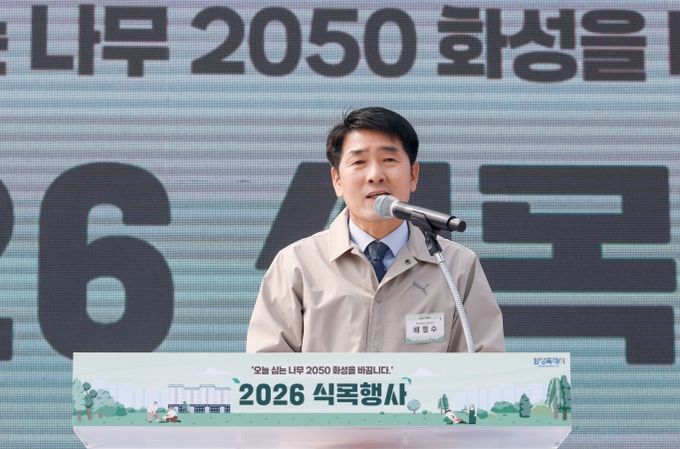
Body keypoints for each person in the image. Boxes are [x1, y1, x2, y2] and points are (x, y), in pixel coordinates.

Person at [246, 107, 504, 352]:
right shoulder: (297, 264)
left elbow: (484, 364)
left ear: (413, 175)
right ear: (337, 180)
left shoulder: (456, 266)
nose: (375, 175)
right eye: (359, 162)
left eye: (389, 159)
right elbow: (265, 367)